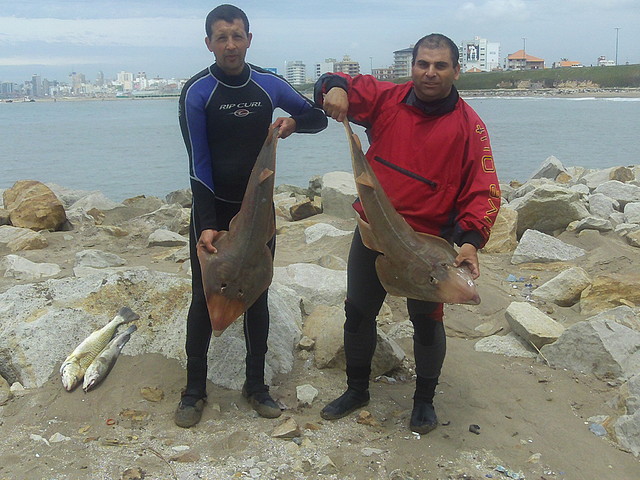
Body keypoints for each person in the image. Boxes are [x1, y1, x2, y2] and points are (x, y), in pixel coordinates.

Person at [313, 33, 500, 434]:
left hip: (427, 245)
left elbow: (483, 190)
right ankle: (357, 389)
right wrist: (335, 90)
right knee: (358, 311)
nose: (430, 73)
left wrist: (470, 242)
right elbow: (337, 81)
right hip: (375, 232)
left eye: (440, 65)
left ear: (456, 71)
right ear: (411, 67)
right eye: (423, 64)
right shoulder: (388, 99)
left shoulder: (471, 127)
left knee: (427, 322)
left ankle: (424, 402)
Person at [176, 4, 327, 428]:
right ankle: (193, 391)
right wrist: (206, 222)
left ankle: (256, 386)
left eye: (237, 35)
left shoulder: (266, 84)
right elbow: (198, 164)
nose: (230, 45)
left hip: (259, 213)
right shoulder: (197, 92)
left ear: (248, 39)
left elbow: (317, 118)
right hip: (214, 209)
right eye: (221, 37)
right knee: (204, 297)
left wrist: (292, 124)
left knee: (256, 294)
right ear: (209, 43)